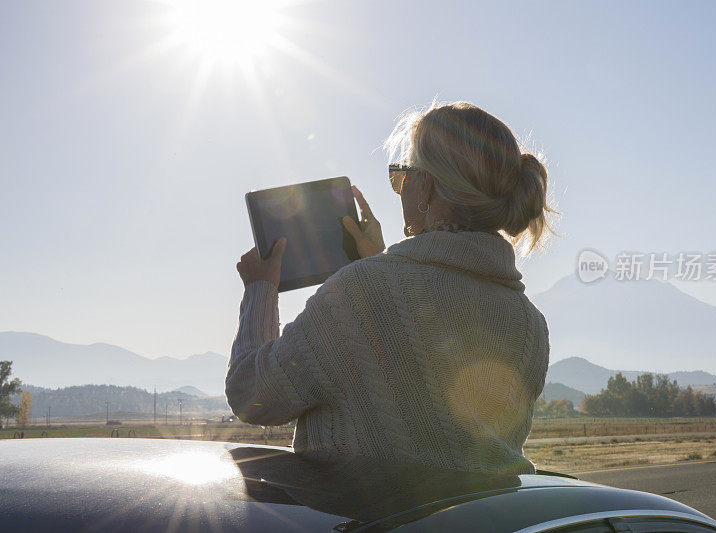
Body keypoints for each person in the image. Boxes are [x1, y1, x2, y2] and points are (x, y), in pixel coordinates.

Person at [226, 101, 556, 475]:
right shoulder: (531, 325)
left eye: (401, 176)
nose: (399, 189)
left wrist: (260, 290)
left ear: (426, 188)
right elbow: (436, 428)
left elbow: (252, 394)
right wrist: (375, 262)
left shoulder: (363, 292)